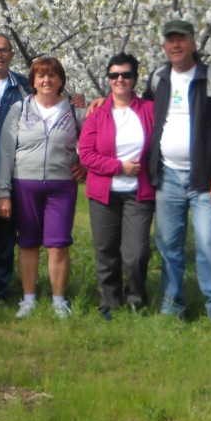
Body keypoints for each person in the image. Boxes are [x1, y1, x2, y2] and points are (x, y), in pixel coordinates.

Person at [0, 32, 84, 305]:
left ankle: (1, 294)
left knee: (4, 238)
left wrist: (83, 160)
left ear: (11, 55)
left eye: (4, 50)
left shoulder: (21, 87)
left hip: (19, 174)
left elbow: (82, 132)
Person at [144, 20, 211, 335]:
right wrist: (95, 103)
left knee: (207, 242)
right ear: (164, 46)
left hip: (204, 178)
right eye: (170, 41)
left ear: (192, 44)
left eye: (181, 40)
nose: (175, 46)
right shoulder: (158, 79)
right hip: (167, 175)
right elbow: (137, 112)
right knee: (168, 245)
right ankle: (173, 305)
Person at [0, 56, 86, 319]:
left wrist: (85, 164)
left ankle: (59, 301)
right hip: (25, 184)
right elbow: (6, 151)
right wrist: (3, 193)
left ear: (61, 81)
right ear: (33, 81)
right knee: (28, 244)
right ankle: (29, 299)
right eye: (40, 76)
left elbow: (93, 140)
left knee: (59, 245)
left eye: (52, 75)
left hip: (61, 186)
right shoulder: (20, 109)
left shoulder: (74, 109)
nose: (46, 80)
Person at [78, 52, 155, 320]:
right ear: (108, 79)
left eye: (126, 75)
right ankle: (110, 302)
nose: (120, 79)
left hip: (139, 192)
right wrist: (118, 167)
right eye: (114, 75)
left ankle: (136, 298)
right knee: (106, 251)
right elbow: (85, 155)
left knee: (136, 253)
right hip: (104, 193)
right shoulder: (98, 113)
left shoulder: (149, 110)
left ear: (135, 78)